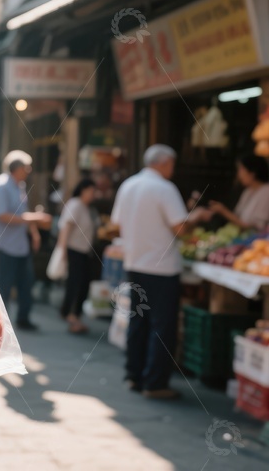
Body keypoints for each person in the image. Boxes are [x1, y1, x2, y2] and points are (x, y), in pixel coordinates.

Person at [111, 144, 205, 399]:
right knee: (162, 326)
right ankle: (154, 383)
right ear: (164, 163)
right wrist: (195, 217)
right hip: (161, 268)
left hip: (135, 263)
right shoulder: (164, 188)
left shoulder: (129, 185)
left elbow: (116, 224)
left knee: (138, 320)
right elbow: (180, 228)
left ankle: (134, 375)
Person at [0, 150, 51, 331]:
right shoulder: (1, 185)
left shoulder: (19, 186)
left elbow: (23, 211)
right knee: (4, 286)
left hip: (20, 244)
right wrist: (34, 219)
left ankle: (23, 318)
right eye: (26, 167)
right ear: (17, 168)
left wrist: (34, 232)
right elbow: (1, 215)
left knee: (25, 283)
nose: (29, 170)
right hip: (5, 245)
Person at [57, 178, 98, 334]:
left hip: (83, 251)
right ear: (84, 190)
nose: (94, 195)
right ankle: (71, 315)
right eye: (92, 191)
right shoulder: (75, 204)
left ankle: (72, 314)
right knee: (76, 283)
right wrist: (63, 250)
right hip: (74, 250)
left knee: (81, 283)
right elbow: (66, 228)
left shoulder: (86, 207)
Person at [206, 154, 269, 230]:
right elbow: (238, 217)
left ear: (252, 173)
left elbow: (256, 228)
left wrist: (223, 211)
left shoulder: (266, 192)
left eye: (241, 169)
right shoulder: (248, 191)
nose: (239, 174)